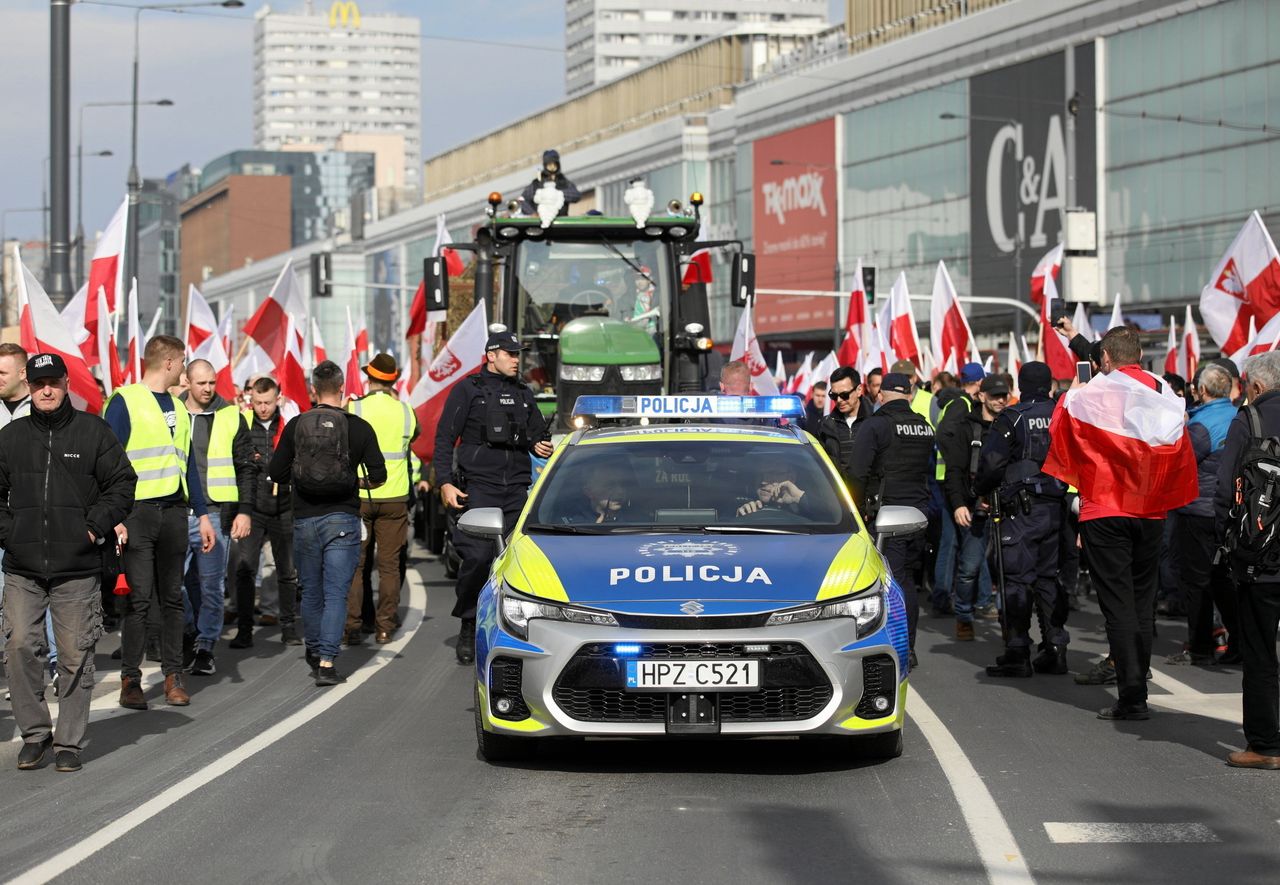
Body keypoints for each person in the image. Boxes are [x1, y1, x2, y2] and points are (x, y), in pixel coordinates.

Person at [1046, 327, 1196, 720]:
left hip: (1105, 509)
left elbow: (1059, 435)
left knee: (1118, 606)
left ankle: (1133, 696)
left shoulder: (1088, 393)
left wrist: (1074, 391)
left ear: (1106, 359)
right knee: (1142, 603)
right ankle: (1137, 682)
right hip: (1149, 510)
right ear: (1141, 354)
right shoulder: (1166, 391)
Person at [1, 353, 136, 771]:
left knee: (76, 654)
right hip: (23, 567)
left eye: (54, 383)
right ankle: (36, 735)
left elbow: (123, 483)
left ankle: (69, 744)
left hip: (77, 568)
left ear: (65, 385)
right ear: (30, 384)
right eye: (39, 383)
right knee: (21, 646)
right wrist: (9, 534)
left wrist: (94, 527)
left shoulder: (93, 432)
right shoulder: (11, 437)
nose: (46, 390)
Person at [107, 335, 216, 710]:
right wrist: (115, 517)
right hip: (136, 514)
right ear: (169, 362)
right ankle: (130, 680)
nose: (185, 369)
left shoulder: (179, 407)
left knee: (172, 598)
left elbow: (188, 467)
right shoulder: (124, 401)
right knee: (138, 601)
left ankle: (173, 676)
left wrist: (201, 514)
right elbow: (109, 462)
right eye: (183, 361)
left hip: (173, 513)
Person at [433, 331, 554, 665]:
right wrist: (444, 481)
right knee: (477, 557)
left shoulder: (523, 394)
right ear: (491, 355)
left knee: (517, 561)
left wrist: (540, 445)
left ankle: (512, 628)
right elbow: (444, 438)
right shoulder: (467, 390)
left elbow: (536, 437)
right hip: (480, 487)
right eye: (511, 353)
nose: (517, 359)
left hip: (516, 489)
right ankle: (469, 624)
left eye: (518, 354)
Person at [268, 361, 386, 687]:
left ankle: (313, 645)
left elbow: (276, 473)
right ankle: (327, 661)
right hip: (343, 519)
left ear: (313, 392)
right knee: (336, 593)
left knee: (311, 591)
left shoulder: (295, 426)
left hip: (305, 518)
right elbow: (379, 476)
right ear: (343, 390)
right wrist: (354, 485)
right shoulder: (359, 427)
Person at [974, 362, 1070, 676]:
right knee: (1047, 578)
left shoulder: (1013, 418)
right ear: (1050, 386)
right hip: (1056, 506)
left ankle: (1018, 652)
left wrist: (981, 490)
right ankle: (1055, 647)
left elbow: (991, 463)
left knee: (1015, 578)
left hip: (1021, 509)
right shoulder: (1062, 414)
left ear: (1021, 387)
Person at [1216, 351, 1280, 768]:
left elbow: (1224, 492)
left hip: (1263, 560)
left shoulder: (1250, 421)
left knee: (1260, 652)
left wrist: (1227, 544)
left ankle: (1265, 746)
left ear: (1256, 387)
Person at [847, 372, 935, 668]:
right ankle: (907, 647)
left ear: (880, 395)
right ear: (909, 395)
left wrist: (854, 510)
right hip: (919, 514)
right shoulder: (924, 426)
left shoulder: (876, 425)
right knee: (907, 580)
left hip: (886, 516)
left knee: (887, 583)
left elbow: (857, 473)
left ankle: (892, 649)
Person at [179, 359, 255, 676]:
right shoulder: (172, 412)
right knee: (176, 584)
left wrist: (245, 511)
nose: (209, 389)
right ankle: (187, 632)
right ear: (187, 382)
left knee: (212, 585)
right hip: (176, 512)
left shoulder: (231, 416)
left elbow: (247, 468)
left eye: (212, 382)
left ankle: (205, 646)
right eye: (202, 383)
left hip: (216, 513)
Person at [345, 354, 418, 645]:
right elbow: (415, 438)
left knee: (356, 564)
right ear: (393, 382)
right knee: (389, 566)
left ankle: (353, 626)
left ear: (369, 378)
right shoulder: (406, 411)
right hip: (395, 497)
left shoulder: (354, 407)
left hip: (360, 495)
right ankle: (384, 627)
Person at [1168, 363, 1238, 666]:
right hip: (1231, 513)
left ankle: (1199, 648)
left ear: (1203, 390)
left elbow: (1180, 465)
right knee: (1224, 581)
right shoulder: (1240, 416)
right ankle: (1238, 642)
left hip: (1198, 511)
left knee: (1196, 582)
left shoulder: (1201, 424)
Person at [229, 376, 300, 649]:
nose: (262, 408)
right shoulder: (244, 424)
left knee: (286, 570)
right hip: (253, 508)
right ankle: (244, 630)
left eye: (267, 402)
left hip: (283, 508)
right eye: (257, 403)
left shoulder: (290, 425)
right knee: (246, 569)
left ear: (278, 398)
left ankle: (289, 626)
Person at [940, 375, 1007, 641]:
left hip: (1006, 507)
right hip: (974, 507)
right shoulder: (966, 429)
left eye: (1004, 395)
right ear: (981, 397)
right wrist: (958, 505)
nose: (1001, 401)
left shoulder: (1010, 424)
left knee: (1007, 570)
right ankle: (964, 617)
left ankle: (1007, 620)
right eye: (995, 396)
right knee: (969, 568)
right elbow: (954, 471)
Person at [931, 362, 985, 617]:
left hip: (946, 479)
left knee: (954, 542)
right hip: (950, 481)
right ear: (979, 383)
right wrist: (957, 459)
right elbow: (943, 434)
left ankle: (947, 595)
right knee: (955, 542)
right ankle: (945, 596)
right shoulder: (962, 405)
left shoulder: (956, 402)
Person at [815, 367, 866, 488]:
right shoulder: (825, 425)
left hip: (869, 501)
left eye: (844, 395)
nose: (839, 400)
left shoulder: (876, 422)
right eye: (834, 395)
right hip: (838, 499)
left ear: (859, 390)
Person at [519, 149, 581, 216]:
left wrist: (558, 194)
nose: (552, 167)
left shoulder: (563, 181)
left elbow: (576, 195)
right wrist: (533, 213)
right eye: (549, 164)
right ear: (545, 165)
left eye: (554, 164)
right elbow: (522, 200)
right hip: (541, 221)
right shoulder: (537, 184)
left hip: (560, 221)